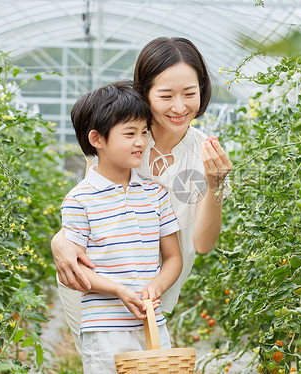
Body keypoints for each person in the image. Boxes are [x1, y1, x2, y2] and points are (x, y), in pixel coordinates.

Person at [52, 37, 233, 355]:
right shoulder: (117, 140)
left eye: (190, 94)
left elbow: (203, 245)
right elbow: (90, 210)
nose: (179, 107)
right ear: (145, 93)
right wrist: (59, 241)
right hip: (98, 293)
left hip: (155, 292)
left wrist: (214, 185)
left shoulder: (204, 153)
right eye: (165, 95)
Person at [61, 80, 183, 372]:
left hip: (151, 323)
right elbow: (77, 270)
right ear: (97, 139)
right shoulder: (79, 200)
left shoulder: (155, 194)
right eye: (129, 133)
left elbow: (173, 257)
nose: (141, 141)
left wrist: (157, 285)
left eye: (143, 132)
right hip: (104, 329)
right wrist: (120, 291)